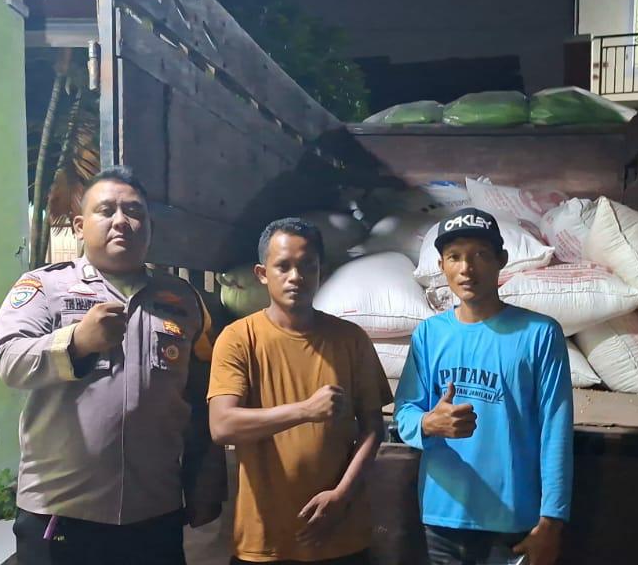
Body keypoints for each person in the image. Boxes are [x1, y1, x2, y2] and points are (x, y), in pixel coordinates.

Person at [0, 166, 225, 565]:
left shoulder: (182, 300)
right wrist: (76, 343)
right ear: (80, 227)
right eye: (106, 210)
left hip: (154, 511)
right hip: (62, 510)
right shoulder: (45, 288)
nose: (121, 220)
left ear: (149, 227)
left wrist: (205, 477)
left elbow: (202, 397)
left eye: (134, 211)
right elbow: (10, 360)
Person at [394, 207, 573, 565]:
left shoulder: (540, 334)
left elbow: (556, 431)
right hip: (442, 518)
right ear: (442, 266)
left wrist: (552, 522)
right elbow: (404, 413)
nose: (466, 268)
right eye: (454, 257)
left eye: (480, 255)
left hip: (513, 521)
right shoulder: (429, 335)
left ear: (501, 260)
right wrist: (428, 423)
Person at [208, 218, 392, 565]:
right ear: (262, 273)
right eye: (283, 266)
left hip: (341, 533)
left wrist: (342, 495)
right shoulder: (239, 338)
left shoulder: (350, 339)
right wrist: (304, 411)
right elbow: (222, 426)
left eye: (308, 265)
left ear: (322, 271)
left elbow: (372, 428)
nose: (296, 276)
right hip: (266, 538)